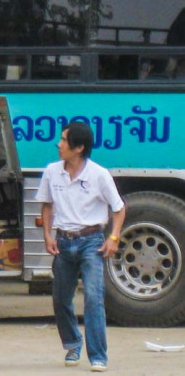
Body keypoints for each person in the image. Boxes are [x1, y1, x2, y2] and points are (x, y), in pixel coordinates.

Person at [36, 122, 126, 373]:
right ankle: (73, 342)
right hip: (63, 242)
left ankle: (98, 356)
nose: (59, 144)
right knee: (61, 299)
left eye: (64, 140)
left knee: (94, 299)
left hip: (92, 243)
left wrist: (114, 238)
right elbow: (47, 205)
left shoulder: (98, 174)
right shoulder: (52, 171)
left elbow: (119, 209)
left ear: (79, 148)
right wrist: (47, 234)